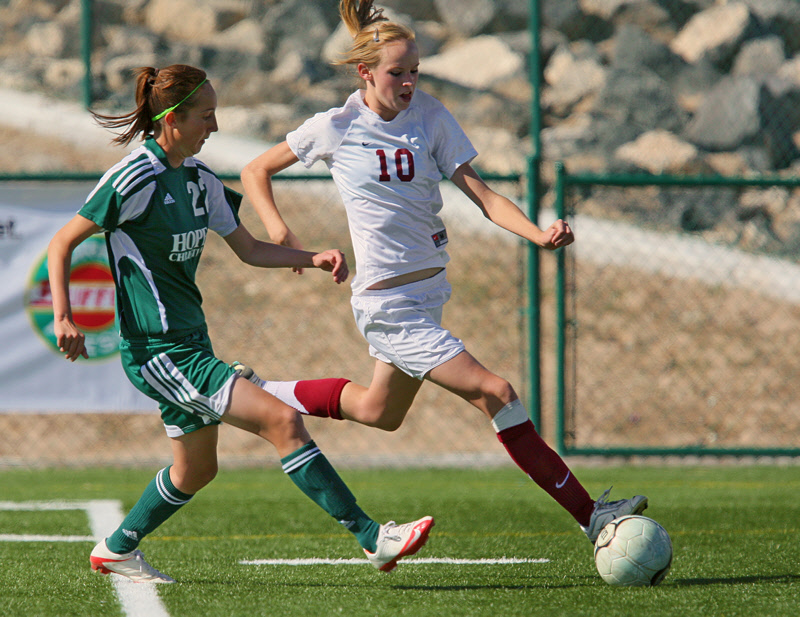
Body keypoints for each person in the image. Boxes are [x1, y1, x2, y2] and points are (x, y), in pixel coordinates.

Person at [238, 1, 648, 545]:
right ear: (365, 73)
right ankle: (590, 513)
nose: (408, 82)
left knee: (377, 410)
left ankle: (258, 390)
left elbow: (483, 196)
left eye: (414, 72)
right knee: (497, 392)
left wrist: (537, 233)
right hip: (389, 307)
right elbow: (254, 169)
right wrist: (280, 232)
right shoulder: (335, 126)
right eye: (396, 73)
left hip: (427, 295)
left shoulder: (430, 115)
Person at [47, 63, 433, 583]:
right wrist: (64, 316)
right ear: (172, 119)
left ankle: (116, 549)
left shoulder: (201, 180)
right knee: (282, 421)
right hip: (157, 351)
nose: (215, 126)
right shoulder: (134, 177)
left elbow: (248, 249)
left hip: (192, 343)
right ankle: (372, 538)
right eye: (206, 115)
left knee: (196, 470)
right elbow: (62, 242)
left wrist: (314, 256)